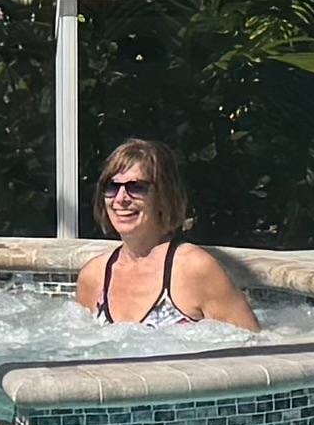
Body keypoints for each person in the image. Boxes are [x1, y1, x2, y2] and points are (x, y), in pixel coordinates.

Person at [76, 139, 259, 331]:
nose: (120, 198)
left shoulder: (194, 268)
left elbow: (253, 347)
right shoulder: (94, 276)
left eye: (136, 187)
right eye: (112, 187)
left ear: (163, 196)